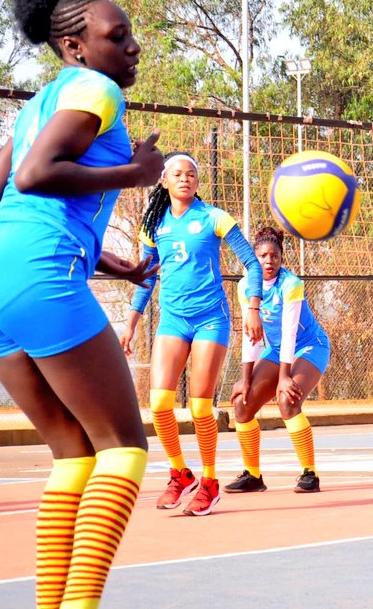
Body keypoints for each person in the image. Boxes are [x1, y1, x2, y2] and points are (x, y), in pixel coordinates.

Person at [0, 0, 164, 608]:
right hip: (34, 268)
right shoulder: (96, 88)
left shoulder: (35, 108)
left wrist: (109, 262)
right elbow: (36, 178)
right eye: (118, 37)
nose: (133, 47)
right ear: (74, 47)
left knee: (72, 452)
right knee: (124, 446)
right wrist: (138, 172)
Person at [119, 151, 264, 516]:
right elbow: (147, 275)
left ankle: (210, 481)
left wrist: (253, 307)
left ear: (196, 183)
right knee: (159, 405)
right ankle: (180, 473)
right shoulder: (154, 226)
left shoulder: (213, 217)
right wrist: (132, 321)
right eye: (177, 174)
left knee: (200, 406)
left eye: (191, 175)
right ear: (164, 181)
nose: (185, 179)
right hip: (172, 320)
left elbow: (252, 264)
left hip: (210, 320)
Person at [224, 226, 331, 494]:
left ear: (281, 258)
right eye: (262, 256)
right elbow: (251, 336)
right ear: (253, 259)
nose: (268, 261)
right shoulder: (245, 286)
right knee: (242, 403)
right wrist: (245, 379)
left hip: (308, 346)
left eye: (274, 256)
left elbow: (290, 332)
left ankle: (310, 473)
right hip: (276, 349)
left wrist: (284, 378)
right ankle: (252, 475)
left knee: (287, 399)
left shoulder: (291, 284)